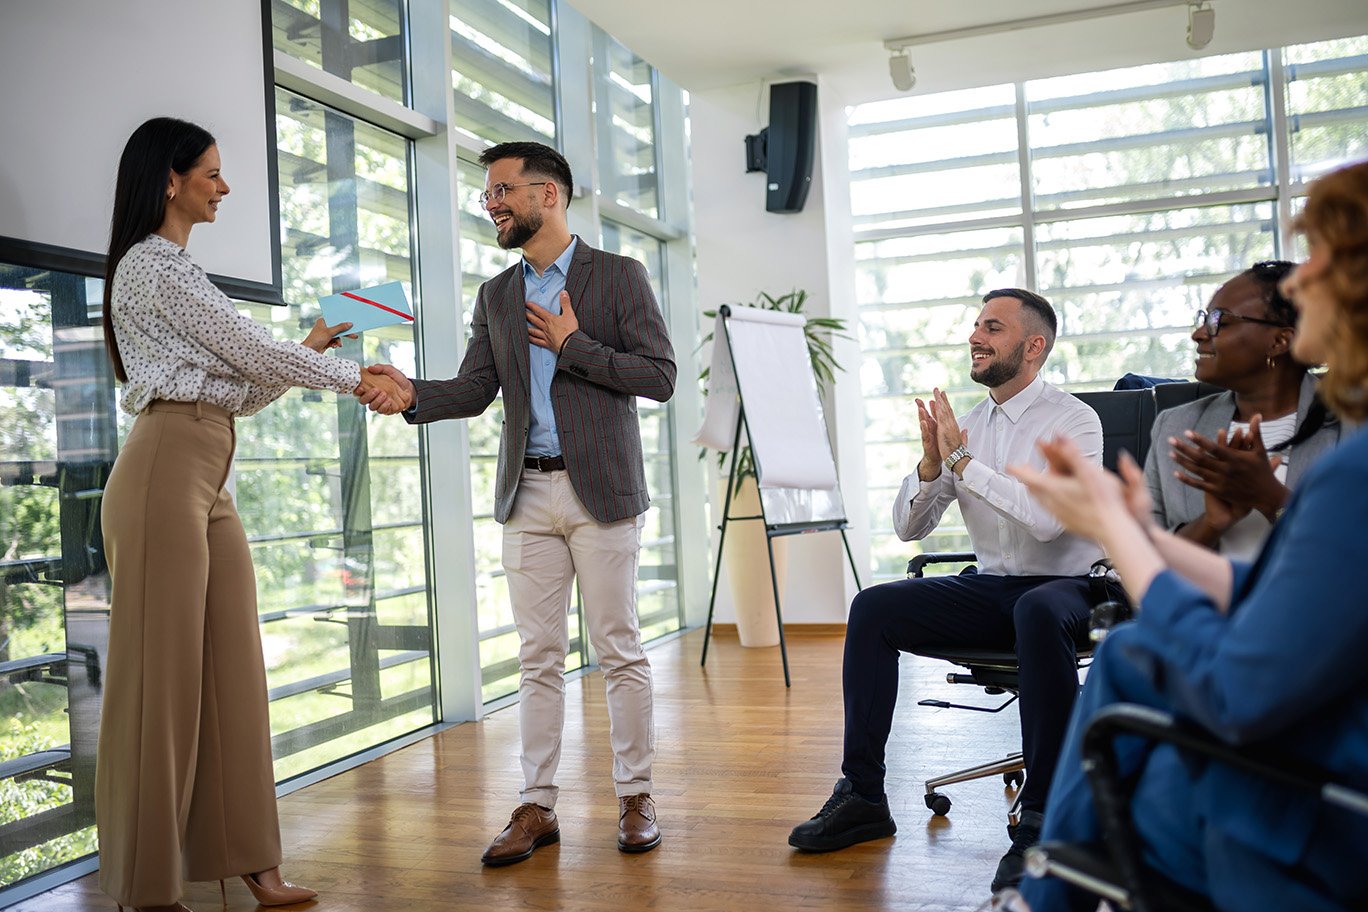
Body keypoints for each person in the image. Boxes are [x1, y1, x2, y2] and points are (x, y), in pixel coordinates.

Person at [1010, 159, 1368, 912]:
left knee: (1140, 672)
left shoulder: (1350, 462)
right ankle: (1052, 880)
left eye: (1326, 260)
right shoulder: (1183, 427)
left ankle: (1051, 880)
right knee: (1134, 651)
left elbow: (1240, 690)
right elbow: (1301, 593)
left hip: (1331, 813)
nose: (1305, 283)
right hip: (1308, 688)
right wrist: (1140, 528)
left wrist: (1118, 525)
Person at [96, 117, 404, 912]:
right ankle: (145, 885)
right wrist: (350, 375)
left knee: (234, 668)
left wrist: (316, 343)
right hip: (165, 463)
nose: (224, 187)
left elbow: (249, 387)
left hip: (209, 466)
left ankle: (253, 866)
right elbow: (255, 355)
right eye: (212, 173)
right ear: (170, 178)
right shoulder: (153, 266)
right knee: (158, 685)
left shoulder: (181, 274)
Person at [362, 141, 676, 865]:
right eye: (488, 196)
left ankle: (635, 795)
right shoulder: (497, 295)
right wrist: (412, 393)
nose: (493, 204)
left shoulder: (619, 277)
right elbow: (475, 391)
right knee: (537, 658)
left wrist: (574, 345)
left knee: (618, 649)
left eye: (503, 191)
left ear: (549, 196)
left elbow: (659, 376)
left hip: (601, 491)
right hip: (525, 493)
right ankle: (537, 806)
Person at [787, 290, 1105, 893]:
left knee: (1038, 608)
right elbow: (910, 529)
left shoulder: (1074, 421)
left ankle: (1043, 820)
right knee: (874, 606)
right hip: (995, 591)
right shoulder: (970, 427)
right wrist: (934, 466)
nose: (975, 337)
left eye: (993, 327)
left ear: (1034, 347)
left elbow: (1046, 522)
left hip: (1070, 591)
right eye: (976, 326)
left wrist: (962, 462)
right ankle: (862, 796)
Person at [1146, 260, 1339, 557]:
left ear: (1279, 340)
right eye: (1203, 318)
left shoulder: (1351, 424)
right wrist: (1211, 523)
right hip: (1209, 603)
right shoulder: (1174, 427)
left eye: (1219, 321)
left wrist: (1271, 498)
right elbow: (1147, 568)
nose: (1198, 334)